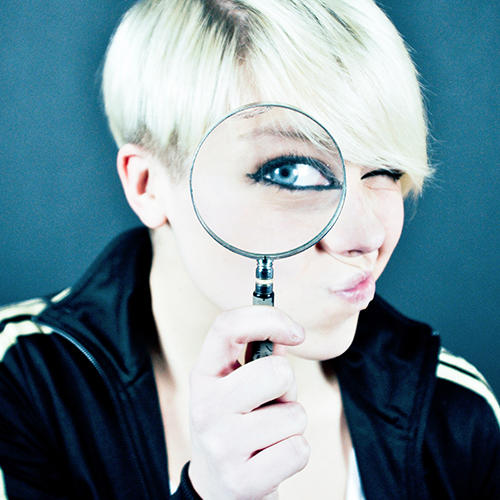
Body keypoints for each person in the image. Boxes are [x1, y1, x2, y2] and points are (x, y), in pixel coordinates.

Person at [0, 0, 498, 498]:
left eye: (385, 169)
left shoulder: (455, 415)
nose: (365, 237)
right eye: (291, 171)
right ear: (147, 185)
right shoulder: (22, 386)